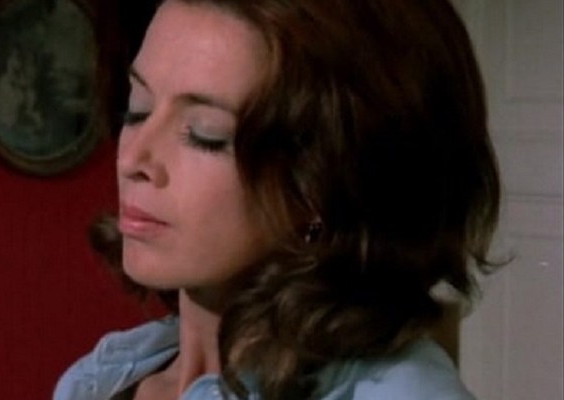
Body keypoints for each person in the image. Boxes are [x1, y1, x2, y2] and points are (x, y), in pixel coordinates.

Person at [54, 0, 500, 398]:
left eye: (206, 135)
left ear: (327, 180)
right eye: (137, 109)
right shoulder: (96, 380)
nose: (133, 157)